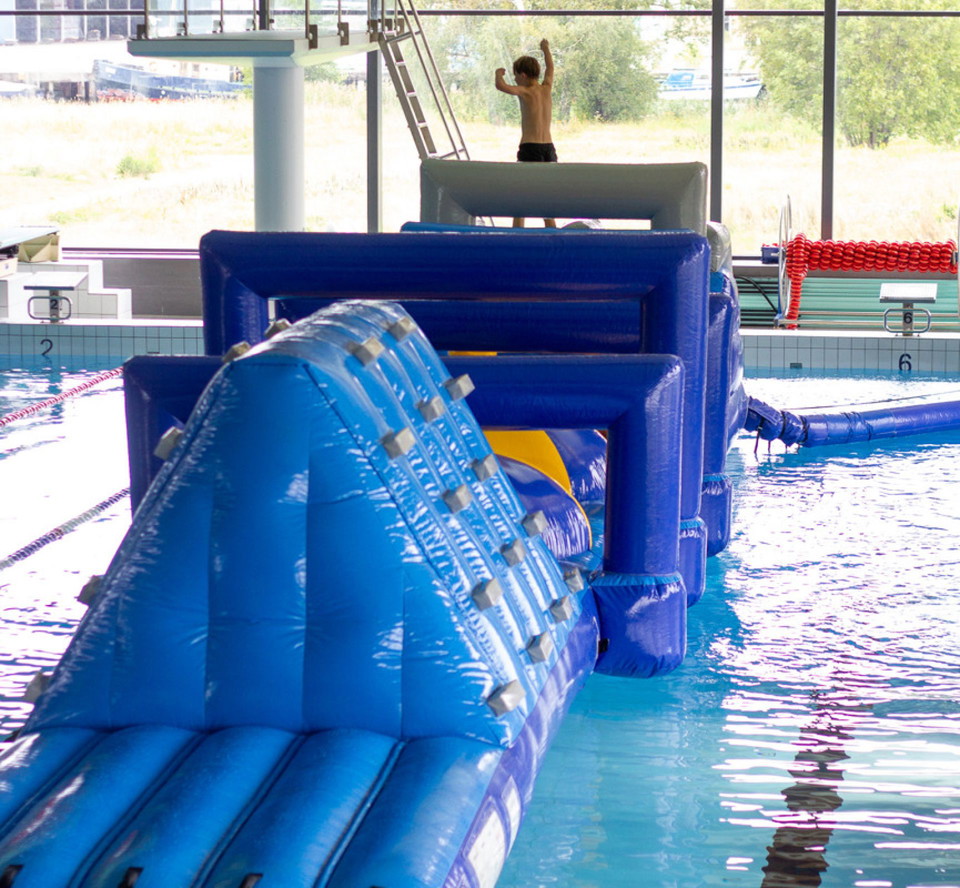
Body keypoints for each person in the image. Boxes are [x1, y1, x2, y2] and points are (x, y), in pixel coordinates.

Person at [495, 39, 556, 228]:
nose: (514, 79)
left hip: (530, 148)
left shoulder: (525, 91)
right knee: (546, 194)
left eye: (515, 76)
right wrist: (546, 49)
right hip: (549, 149)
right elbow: (550, 68)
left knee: (522, 192)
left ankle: (517, 233)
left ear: (522, 75)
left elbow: (501, 86)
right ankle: (552, 230)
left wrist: (498, 74)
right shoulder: (546, 88)